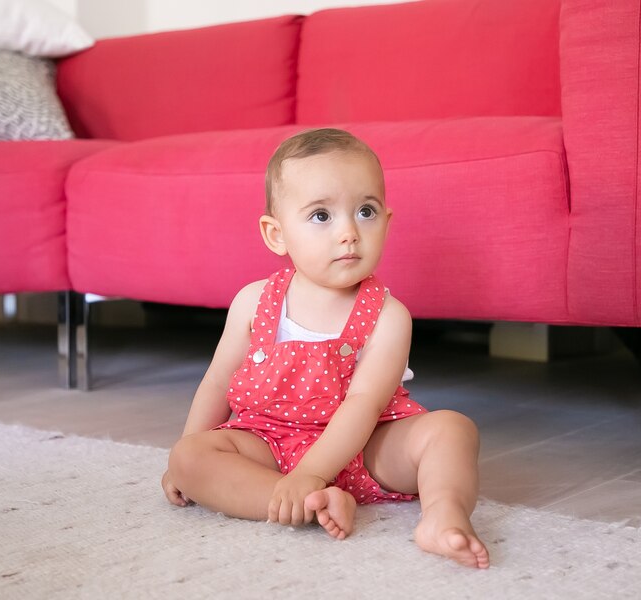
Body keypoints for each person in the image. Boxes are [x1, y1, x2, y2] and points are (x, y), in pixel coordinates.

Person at [161, 128, 489, 569]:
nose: (349, 232)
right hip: (268, 444)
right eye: (321, 216)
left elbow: (364, 404)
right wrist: (186, 455)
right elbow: (217, 382)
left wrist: (313, 470)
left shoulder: (389, 316)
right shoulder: (253, 302)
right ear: (276, 234)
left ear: (387, 223)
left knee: (453, 430)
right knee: (191, 456)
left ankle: (443, 513)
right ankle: (306, 502)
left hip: (366, 447)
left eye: (366, 211)